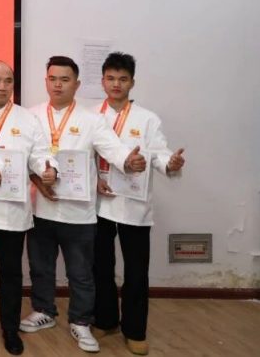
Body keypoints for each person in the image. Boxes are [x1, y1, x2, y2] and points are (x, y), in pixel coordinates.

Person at [21, 56, 147, 354]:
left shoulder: (92, 120)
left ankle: (80, 320)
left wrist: (128, 161)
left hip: (78, 213)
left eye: (65, 80)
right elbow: (23, 156)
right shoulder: (30, 116)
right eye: (53, 79)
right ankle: (44, 310)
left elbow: (112, 148)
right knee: (41, 266)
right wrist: (37, 179)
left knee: (81, 273)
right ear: (46, 81)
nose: (58, 85)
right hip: (40, 208)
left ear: (76, 84)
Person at [92, 52, 185, 356]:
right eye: (111, 78)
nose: (116, 84)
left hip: (134, 203)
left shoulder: (147, 119)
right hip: (99, 202)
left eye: (123, 79)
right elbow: (82, 157)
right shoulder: (91, 115)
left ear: (132, 82)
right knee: (100, 266)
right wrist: (92, 181)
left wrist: (170, 163)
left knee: (136, 270)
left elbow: (159, 153)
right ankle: (105, 320)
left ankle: (135, 330)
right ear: (102, 81)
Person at [0, 60, 57, 355]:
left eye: (8, 81)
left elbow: (40, 154)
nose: (2, 86)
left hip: (12, 209)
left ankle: (9, 328)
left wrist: (48, 169)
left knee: (11, 272)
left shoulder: (27, 119)